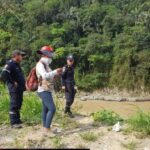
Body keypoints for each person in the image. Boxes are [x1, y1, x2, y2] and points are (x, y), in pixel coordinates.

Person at [36, 46, 62, 133]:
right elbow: (45, 76)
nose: (51, 57)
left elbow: (49, 76)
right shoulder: (40, 65)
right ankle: (47, 129)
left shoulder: (46, 65)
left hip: (47, 89)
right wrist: (55, 71)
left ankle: (45, 127)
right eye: (50, 55)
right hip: (43, 90)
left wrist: (56, 74)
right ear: (46, 55)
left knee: (45, 109)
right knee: (52, 109)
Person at [2, 50, 26, 128]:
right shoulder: (10, 64)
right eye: (21, 55)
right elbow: (4, 74)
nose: (22, 57)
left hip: (19, 88)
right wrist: (12, 82)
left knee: (19, 103)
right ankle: (13, 122)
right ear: (16, 56)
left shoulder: (17, 64)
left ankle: (17, 120)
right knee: (14, 104)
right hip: (14, 88)